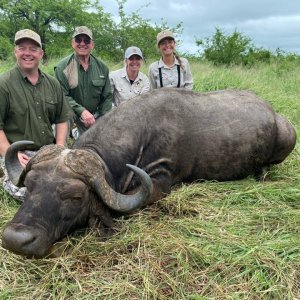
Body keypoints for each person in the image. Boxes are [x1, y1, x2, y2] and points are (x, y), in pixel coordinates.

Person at [0, 29, 72, 201]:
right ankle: (4, 176)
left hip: (47, 151)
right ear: (15, 51)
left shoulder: (53, 84)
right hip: (17, 153)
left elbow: (62, 119)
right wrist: (10, 153)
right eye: (22, 48)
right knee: (31, 194)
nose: (27, 53)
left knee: (72, 186)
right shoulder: (3, 84)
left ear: (41, 53)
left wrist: (60, 149)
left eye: (33, 49)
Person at [54, 26, 112, 137]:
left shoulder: (102, 67)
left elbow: (107, 97)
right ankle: (60, 149)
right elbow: (62, 96)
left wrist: (104, 119)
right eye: (78, 40)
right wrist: (82, 111)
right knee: (62, 117)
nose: (82, 43)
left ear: (92, 44)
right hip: (72, 113)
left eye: (86, 40)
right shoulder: (63, 67)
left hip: (95, 115)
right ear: (72, 43)